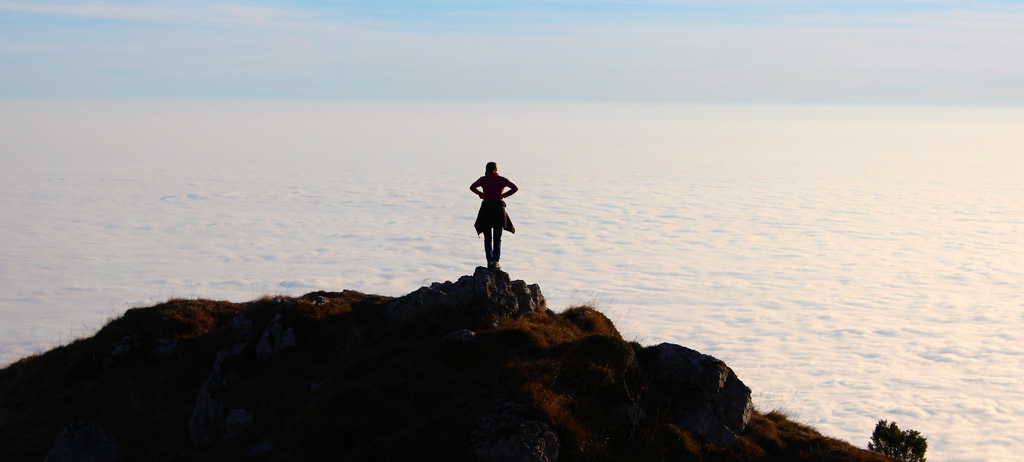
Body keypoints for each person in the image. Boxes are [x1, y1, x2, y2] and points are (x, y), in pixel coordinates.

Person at [470, 162, 518, 270]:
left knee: (488, 238)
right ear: (496, 169)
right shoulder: (502, 180)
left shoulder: (483, 179)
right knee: (497, 238)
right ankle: (496, 261)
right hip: (498, 209)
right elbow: (515, 188)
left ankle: (489, 261)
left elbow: (472, 187)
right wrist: (503, 195)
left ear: (486, 169)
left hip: (486, 208)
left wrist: (481, 194)